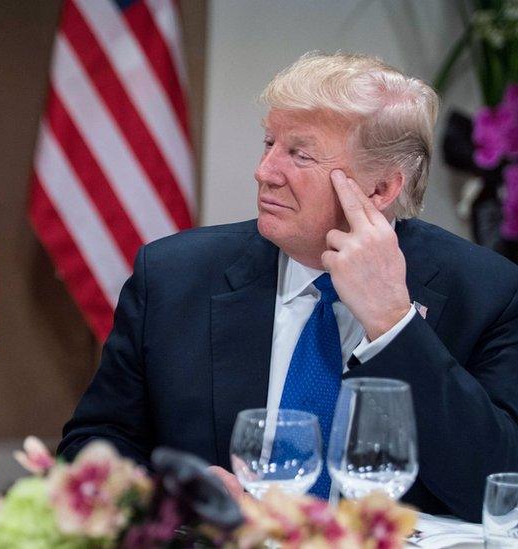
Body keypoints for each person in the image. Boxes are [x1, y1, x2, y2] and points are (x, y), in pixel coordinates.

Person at [58, 52, 518, 522]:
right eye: (269, 142)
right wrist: (166, 494)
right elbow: (90, 447)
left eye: (300, 154)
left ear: (381, 190)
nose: (265, 170)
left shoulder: (486, 292)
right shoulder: (174, 277)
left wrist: (393, 323)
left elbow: (498, 488)